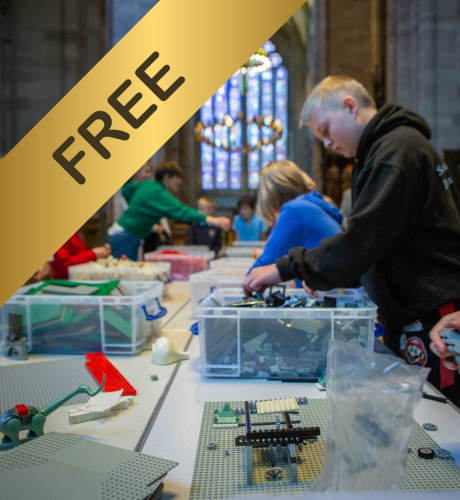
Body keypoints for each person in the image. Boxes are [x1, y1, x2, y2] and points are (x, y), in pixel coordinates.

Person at [243, 75, 460, 404]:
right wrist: (322, 272)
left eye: (326, 131)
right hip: (414, 310)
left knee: (439, 422)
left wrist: (288, 268)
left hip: (434, 312)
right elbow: (380, 240)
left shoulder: (395, 152)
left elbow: (362, 241)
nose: (327, 144)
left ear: (349, 106)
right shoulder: (385, 151)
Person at [109, 161, 230, 260]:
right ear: (167, 177)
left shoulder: (148, 185)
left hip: (124, 234)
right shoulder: (158, 192)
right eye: (177, 178)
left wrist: (140, 208)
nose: (180, 182)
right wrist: (212, 220)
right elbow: (182, 210)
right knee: (124, 278)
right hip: (125, 236)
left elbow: (126, 189)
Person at [249, 160, 343, 287]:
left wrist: (242, 286)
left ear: (273, 193)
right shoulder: (311, 205)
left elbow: (266, 261)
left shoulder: (294, 209)